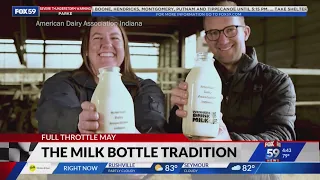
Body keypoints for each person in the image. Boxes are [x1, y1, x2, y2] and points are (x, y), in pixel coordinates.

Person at [167, 1, 296, 179]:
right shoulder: (196, 77)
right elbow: (177, 137)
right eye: (213, 33)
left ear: (246, 32)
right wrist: (178, 113)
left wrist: (230, 143)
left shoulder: (276, 81)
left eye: (230, 29)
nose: (222, 39)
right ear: (206, 39)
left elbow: (282, 140)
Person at [36, 16, 166, 180]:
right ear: (85, 50)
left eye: (114, 38)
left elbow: (155, 127)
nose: (107, 44)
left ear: (124, 49)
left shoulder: (145, 89)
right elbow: (49, 116)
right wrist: (77, 121)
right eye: (97, 38)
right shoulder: (62, 83)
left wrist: (145, 149)